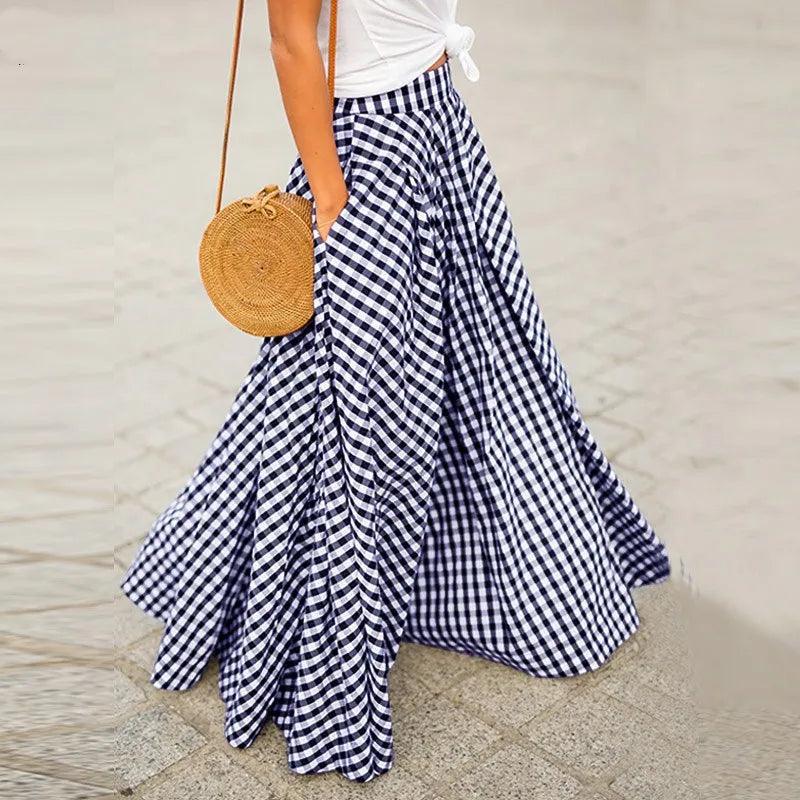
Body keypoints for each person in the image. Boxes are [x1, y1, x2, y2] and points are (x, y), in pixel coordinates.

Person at [121, 0, 670, 783]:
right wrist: (330, 194)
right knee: (353, 403)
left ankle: (464, 575)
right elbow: (288, 39)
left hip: (439, 125)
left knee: (481, 353)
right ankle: (318, 641)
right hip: (368, 151)